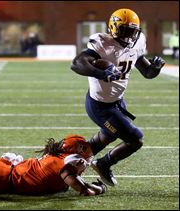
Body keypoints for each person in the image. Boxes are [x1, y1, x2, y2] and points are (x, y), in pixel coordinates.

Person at [70, 8, 165, 187]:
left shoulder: (136, 43)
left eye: (133, 31)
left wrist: (155, 69)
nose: (129, 36)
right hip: (100, 105)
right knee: (135, 139)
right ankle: (103, 164)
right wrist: (101, 73)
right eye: (125, 30)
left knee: (108, 135)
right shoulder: (103, 43)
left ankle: (70, 163)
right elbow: (77, 64)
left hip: (117, 101)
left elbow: (146, 72)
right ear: (114, 28)